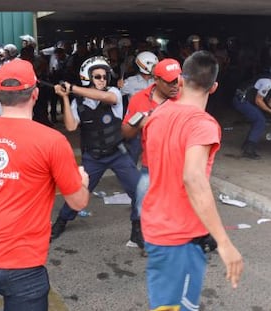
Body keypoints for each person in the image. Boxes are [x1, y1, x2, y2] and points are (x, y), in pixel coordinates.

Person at [0, 58, 90, 310]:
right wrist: (82, 181)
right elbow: (78, 201)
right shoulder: (53, 141)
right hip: (23, 262)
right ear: (36, 94)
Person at [141, 51, 243, 310]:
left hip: (157, 227)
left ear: (181, 81)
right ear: (215, 87)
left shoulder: (156, 116)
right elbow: (193, 179)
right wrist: (224, 242)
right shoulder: (202, 125)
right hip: (179, 239)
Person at [51, 56, 140, 241]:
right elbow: (70, 126)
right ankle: (61, 221)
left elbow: (106, 97)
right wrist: (66, 98)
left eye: (105, 76)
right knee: (78, 193)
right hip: (93, 157)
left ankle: (137, 229)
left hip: (118, 153)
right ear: (87, 78)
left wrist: (72, 88)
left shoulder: (113, 92)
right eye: (97, 76)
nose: (102, 80)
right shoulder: (79, 103)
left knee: (139, 192)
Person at [121, 58, 182, 252]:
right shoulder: (139, 99)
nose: (176, 85)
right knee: (142, 199)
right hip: (152, 161)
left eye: (178, 79)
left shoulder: (185, 96)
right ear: (157, 79)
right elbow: (125, 133)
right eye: (170, 81)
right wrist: (139, 124)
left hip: (178, 161)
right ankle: (137, 232)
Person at [232, 77, 271, 159]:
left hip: (246, 100)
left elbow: (269, 101)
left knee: (259, 118)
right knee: (260, 121)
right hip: (241, 101)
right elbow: (258, 101)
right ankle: (248, 150)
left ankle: (247, 144)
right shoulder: (268, 83)